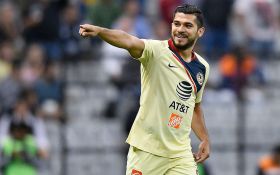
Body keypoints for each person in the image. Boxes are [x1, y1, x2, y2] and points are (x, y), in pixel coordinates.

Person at [79, 4, 210, 175]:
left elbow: (194, 107)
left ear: (200, 32)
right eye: (176, 24)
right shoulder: (157, 51)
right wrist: (100, 31)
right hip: (146, 150)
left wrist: (204, 139)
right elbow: (128, 40)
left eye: (187, 25)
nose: (180, 29)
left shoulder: (202, 68)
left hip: (180, 154)